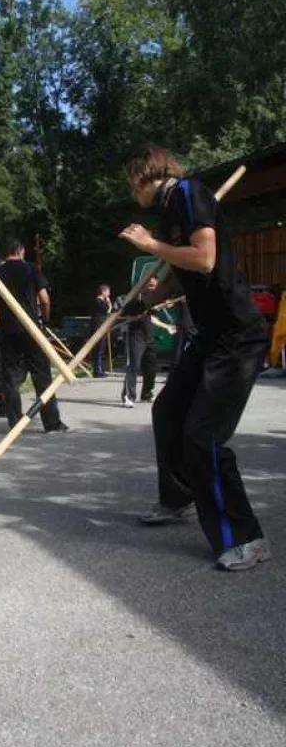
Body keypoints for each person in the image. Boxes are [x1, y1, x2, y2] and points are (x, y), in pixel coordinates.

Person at [120, 145, 270, 571]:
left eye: (132, 184)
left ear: (146, 175)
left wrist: (150, 244)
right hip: (210, 335)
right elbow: (182, 269)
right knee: (167, 411)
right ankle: (178, 497)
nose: (132, 193)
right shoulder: (170, 211)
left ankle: (247, 538)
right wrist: (155, 296)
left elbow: (204, 259)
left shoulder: (189, 193)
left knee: (203, 436)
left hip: (237, 334)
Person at [0, 240, 67, 433]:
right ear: (21, 251)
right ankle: (52, 423)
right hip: (32, 331)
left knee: (11, 378)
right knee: (42, 376)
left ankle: (15, 423)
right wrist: (44, 319)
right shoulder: (31, 269)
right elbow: (44, 299)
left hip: (8, 333)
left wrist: (4, 323)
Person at [120, 276, 158, 407]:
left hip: (149, 335)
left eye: (155, 286)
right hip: (136, 336)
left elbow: (154, 314)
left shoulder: (154, 298)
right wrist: (140, 313)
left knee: (151, 367)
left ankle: (146, 394)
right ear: (144, 285)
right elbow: (124, 316)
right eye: (151, 285)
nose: (153, 288)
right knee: (133, 366)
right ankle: (128, 396)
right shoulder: (135, 299)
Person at [90, 284, 112, 377]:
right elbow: (108, 310)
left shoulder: (101, 301)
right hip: (98, 327)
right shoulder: (98, 301)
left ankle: (100, 369)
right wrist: (109, 303)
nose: (109, 294)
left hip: (101, 326)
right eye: (108, 292)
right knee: (98, 349)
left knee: (101, 349)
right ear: (103, 292)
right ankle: (97, 371)